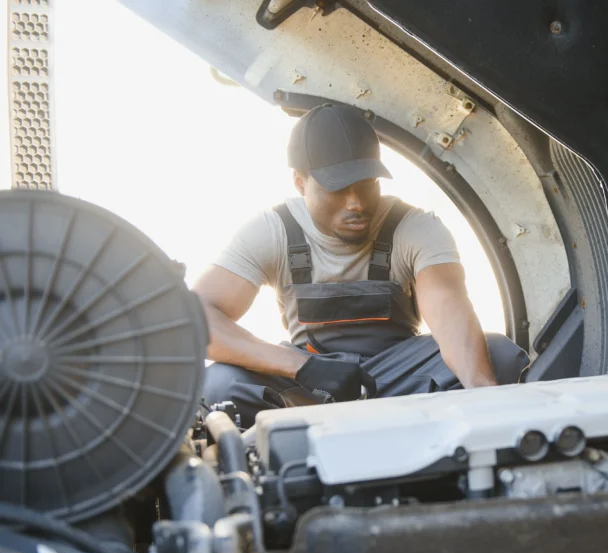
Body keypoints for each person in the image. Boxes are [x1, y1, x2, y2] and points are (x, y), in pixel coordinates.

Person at [197, 104, 529, 427]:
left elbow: (450, 312)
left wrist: (487, 398)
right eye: (338, 189)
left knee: (498, 355)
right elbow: (197, 319)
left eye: (367, 184)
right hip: (310, 383)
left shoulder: (416, 229)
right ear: (300, 182)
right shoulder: (271, 232)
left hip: (396, 376)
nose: (356, 204)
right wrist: (299, 367)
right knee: (220, 385)